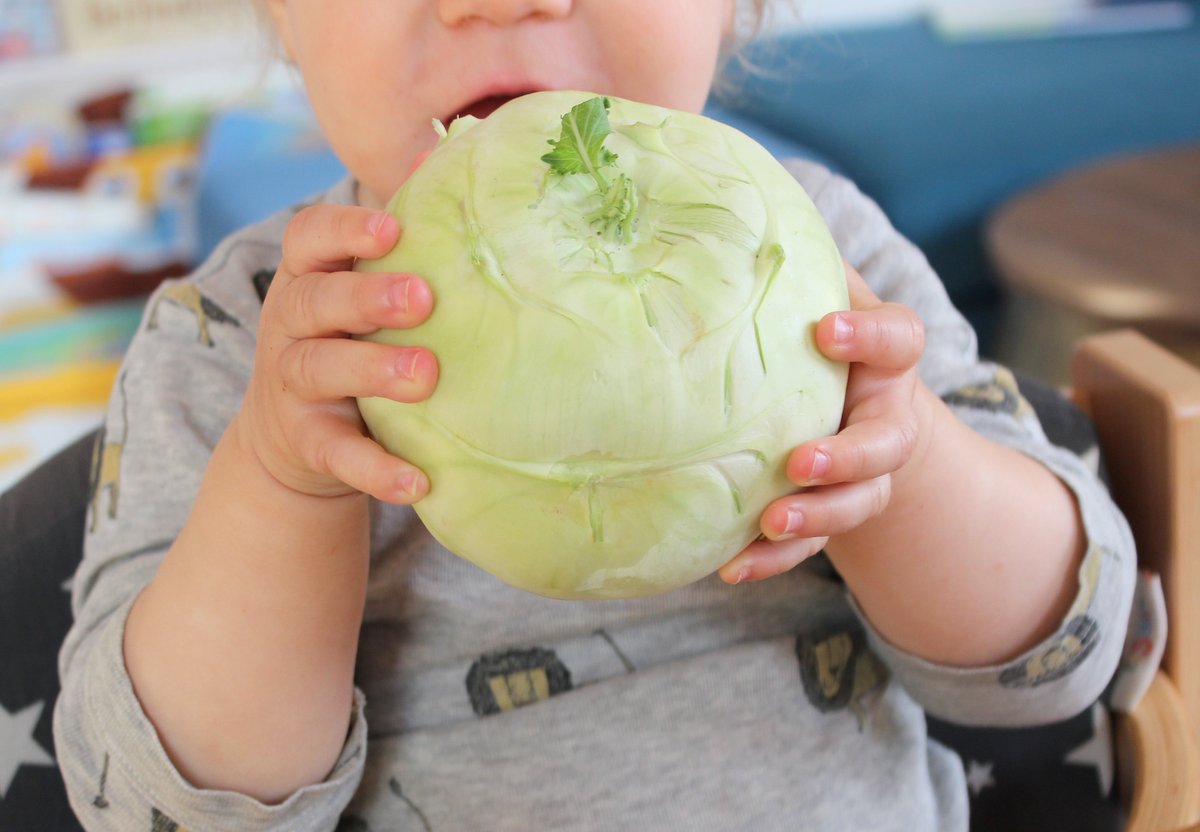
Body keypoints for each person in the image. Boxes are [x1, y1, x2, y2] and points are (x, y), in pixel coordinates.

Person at [52, 1, 1135, 829]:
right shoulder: (231, 344)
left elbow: (1062, 655)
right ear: (282, 20)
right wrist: (283, 482)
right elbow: (161, 800)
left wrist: (902, 475)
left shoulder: (829, 263)